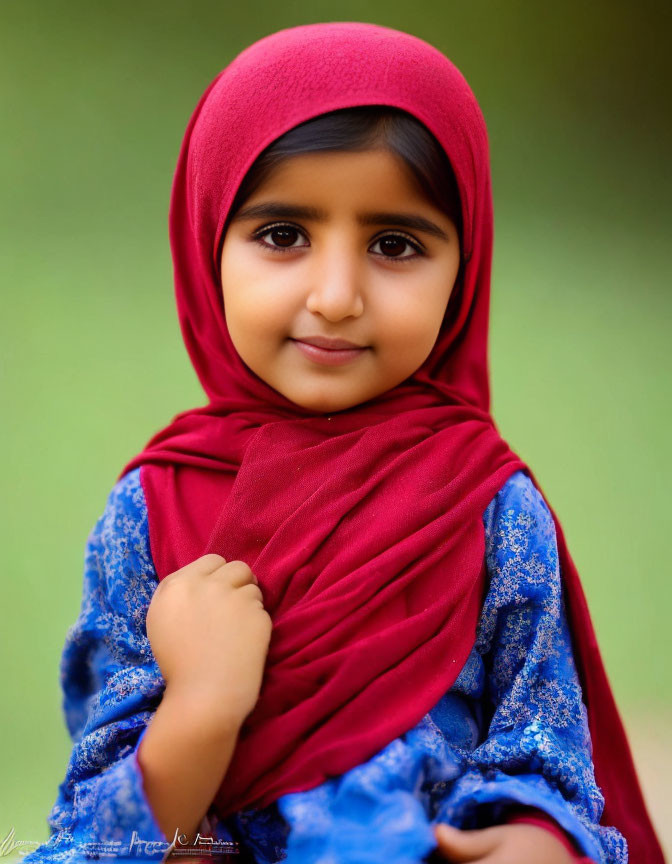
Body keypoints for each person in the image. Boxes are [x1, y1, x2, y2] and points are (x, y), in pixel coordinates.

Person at [24, 21, 664, 864]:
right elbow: (99, 840)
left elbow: (544, 758)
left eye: (394, 244)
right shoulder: (152, 513)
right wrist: (204, 704)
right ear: (205, 238)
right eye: (283, 235)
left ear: (464, 272)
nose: (335, 295)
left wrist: (540, 839)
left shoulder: (488, 507)